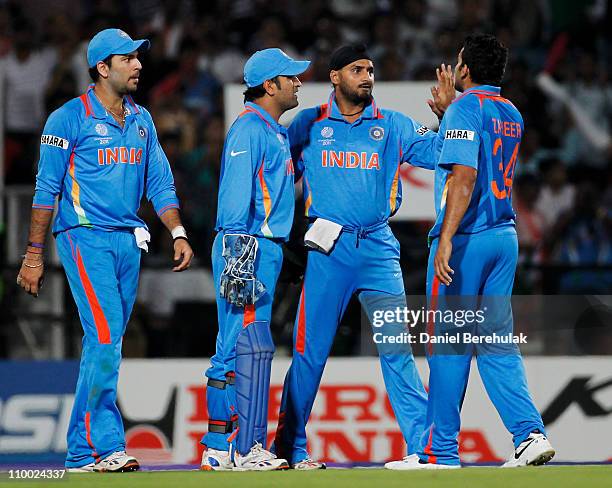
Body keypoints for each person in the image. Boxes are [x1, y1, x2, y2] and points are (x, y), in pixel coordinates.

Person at [16, 28, 194, 473]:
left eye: (138, 58)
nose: (138, 65)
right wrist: (33, 255)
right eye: (128, 58)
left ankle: (79, 451)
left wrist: (177, 232)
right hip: (84, 236)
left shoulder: (142, 119)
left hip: (129, 242)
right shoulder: (67, 118)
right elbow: (46, 189)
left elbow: (161, 183)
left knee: (105, 342)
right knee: (106, 336)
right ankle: (106, 444)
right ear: (102, 67)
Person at [272, 44, 455, 469]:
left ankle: (423, 450)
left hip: (378, 249)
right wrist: (283, 241)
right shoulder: (307, 123)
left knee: (397, 350)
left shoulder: (392, 124)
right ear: (335, 77)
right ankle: (290, 449)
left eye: (370, 70)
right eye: (357, 70)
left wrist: (449, 115)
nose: (367, 76)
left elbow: (439, 154)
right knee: (308, 352)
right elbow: (279, 178)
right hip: (327, 250)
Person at [391, 34, 555, 470]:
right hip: (504, 236)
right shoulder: (510, 111)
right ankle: (529, 434)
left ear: (464, 70)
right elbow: (477, 149)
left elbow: (464, 175)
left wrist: (445, 236)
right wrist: (449, 115)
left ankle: (438, 451)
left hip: (468, 240)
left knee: (447, 345)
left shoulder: (467, 107)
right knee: (497, 343)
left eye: (457, 62)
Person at [199, 48, 310, 472]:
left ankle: (219, 445)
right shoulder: (249, 129)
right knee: (244, 346)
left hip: (265, 248)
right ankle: (243, 449)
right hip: (245, 245)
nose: (298, 83)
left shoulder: (272, 131)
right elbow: (233, 200)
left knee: (238, 347)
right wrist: (238, 257)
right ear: (270, 85)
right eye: (291, 77)